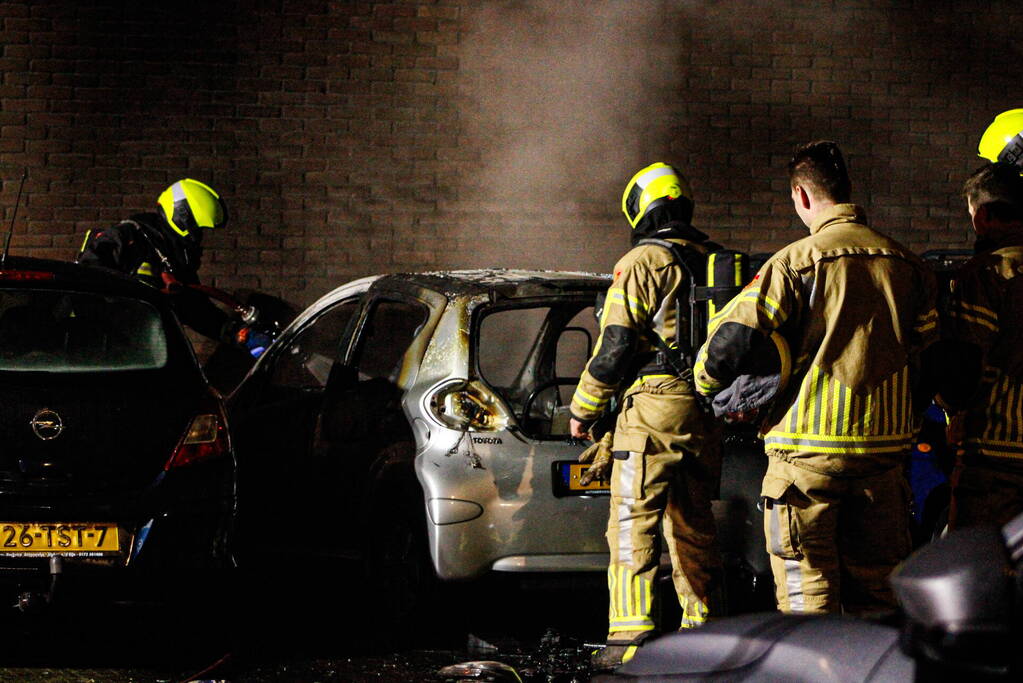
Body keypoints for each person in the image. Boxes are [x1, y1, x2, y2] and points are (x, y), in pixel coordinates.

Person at [694, 141, 938, 614]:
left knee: (809, 598)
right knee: (879, 600)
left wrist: (705, 386)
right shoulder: (910, 266)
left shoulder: (795, 262)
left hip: (806, 462)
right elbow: (930, 360)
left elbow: (731, 342)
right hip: (882, 462)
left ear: (802, 196)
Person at [568, 162, 722, 669]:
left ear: (641, 208)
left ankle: (628, 641)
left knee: (634, 520)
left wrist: (584, 408)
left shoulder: (642, 262)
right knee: (693, 522)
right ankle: (701, 634)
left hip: (652, 407)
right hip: (704, 410)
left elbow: (613, 348)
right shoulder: (716, 261)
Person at [77, 178, 267, 353]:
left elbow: (196, 310)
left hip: (144, 351)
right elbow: (85, 282)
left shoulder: (171, 255)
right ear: (182, 216)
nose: (198, 237)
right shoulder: (128, 237)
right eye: (198, 229)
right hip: (99, 349)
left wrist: (240, 335)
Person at [939, 162, 1023, 529]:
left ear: (983, 215)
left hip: (996, 455)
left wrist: (948, 405)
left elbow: (963, 367)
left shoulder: (987, 273)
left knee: (982, 571)